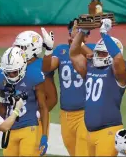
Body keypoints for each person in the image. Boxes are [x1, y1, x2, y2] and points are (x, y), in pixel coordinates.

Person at [69, 18, 126, 156]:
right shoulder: (90, 67)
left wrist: (104, 34)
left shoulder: (118, 72)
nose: (98, 55)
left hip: (108, 131)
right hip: (90, 133)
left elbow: (118, 59)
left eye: (103, 53)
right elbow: (73, 53)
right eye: (98, 52)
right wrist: (82, 32)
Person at [0, 31, 58, 154]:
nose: (11, 74)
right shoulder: (3, 75)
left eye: (22, 47)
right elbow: (1, 106)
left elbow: (47, 103)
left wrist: (48, 50)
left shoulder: (35, 72)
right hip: (10, 128)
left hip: (31, 125)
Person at [41, 19, 94, 156]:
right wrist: (48, 50)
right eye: (76, 31)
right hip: (65, 115)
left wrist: (79, 42)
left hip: (85, 113)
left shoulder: (91, 49)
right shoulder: (61, 50)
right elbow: (47, 67)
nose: (81, 35)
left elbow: (95, 60)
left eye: (84, 33)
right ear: (69, 33)